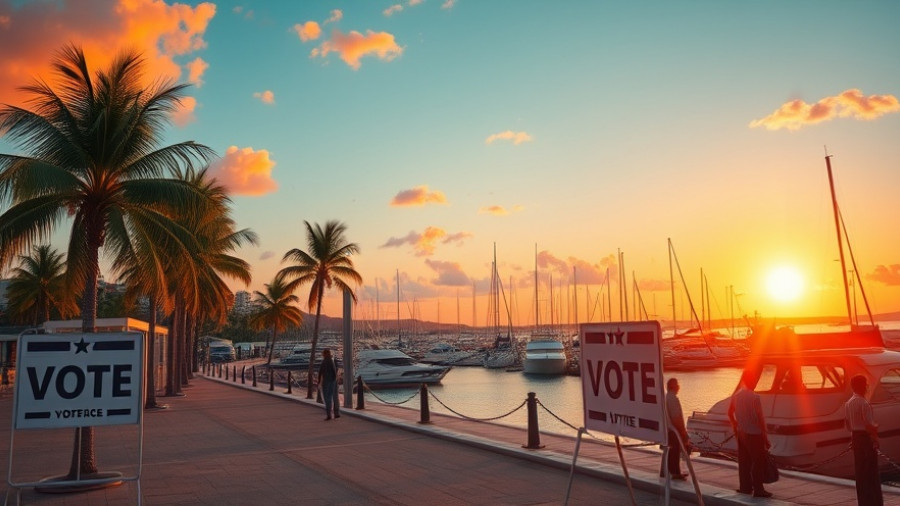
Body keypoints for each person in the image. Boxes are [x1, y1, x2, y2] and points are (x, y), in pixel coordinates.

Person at [727, 370, 772, 498]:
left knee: (744, 462)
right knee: (757, 462)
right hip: (754, 433)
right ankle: (758, 489)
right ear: (751, 381)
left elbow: (730, 413)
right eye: (755, 379)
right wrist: (765, 437)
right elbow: (760, 419)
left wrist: (736, 425)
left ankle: (745, 487)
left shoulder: (736, 397)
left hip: (741, 433)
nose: (756, 382)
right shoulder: (755, 397)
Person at [845, 375, 882, 506]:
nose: (867, 387)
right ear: (862, 386)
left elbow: (848, 425)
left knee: (860, 472)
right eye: (865, 384)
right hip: (866, 440)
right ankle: (874, 502)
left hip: (856, 438)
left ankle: (863, 501)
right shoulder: (864, 403)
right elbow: (869, 425)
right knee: (870, 472)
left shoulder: (848, 403)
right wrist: (875, 438)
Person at [662, 377, 690, 480]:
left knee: (672, 451)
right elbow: (676, 417)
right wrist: (683, 432)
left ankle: (674, 471)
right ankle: (675, 473)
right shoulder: (673, 398)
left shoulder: (665, 397)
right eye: (677, 384)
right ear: (673, 386)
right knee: (675, 451)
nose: (679, 386)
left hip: (668, 429)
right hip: (673, 430)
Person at [317, 349, 340, 421]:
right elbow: (334, 371)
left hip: (326, 382)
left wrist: (319, 381)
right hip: (333, 381)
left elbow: (320, 372)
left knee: (327, 398)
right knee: (334, 397)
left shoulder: (323, 362)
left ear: (324, 354)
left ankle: (329, 414)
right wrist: (334, 380)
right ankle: (336, 413)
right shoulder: (332, 361)